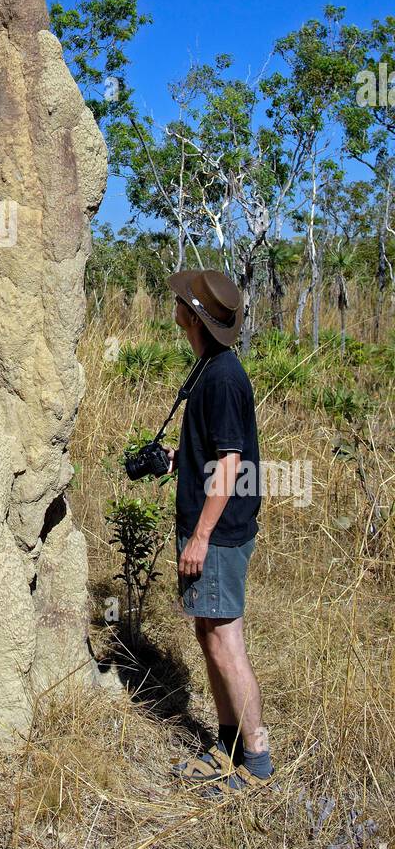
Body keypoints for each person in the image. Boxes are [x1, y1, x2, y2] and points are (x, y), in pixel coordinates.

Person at [165, 268, 274, 796]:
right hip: (211, 526)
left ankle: (255, 760)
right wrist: (174, 461)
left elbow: (230, 466)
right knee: (210, 634)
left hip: (220, 534)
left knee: (226, 641)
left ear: (194, 316)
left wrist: (202, 536)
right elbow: (212, 456)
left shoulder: (224, 377)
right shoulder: (209, 368)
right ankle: (229, 742)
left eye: (181, 304)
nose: (176, 309)